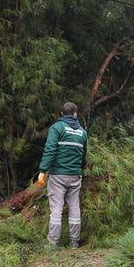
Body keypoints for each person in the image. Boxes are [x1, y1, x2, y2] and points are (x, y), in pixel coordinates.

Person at [37, 102, 88, 248]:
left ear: (61, 114)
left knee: (56, 209)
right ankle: (74, 242)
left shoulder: (57, 128)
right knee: (74, 207)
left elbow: (50, 150)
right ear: (75, 114)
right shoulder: (82, 132)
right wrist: (79, 169)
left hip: (58, 175)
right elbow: (83, 156)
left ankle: (53, 243)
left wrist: (42, 170)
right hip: (75, 175)